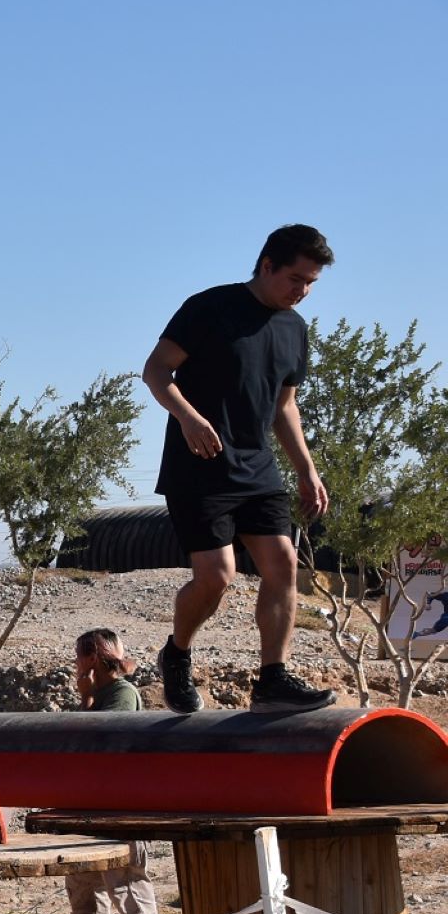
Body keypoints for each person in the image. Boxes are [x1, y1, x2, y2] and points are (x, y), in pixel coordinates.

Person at [146, 224, 337, 714]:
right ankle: (177, 653)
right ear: (267, 264)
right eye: (296, 278)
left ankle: (273, 679)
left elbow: (284, 407)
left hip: (258, 468)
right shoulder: (209, 308)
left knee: (283, 564)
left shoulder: (295, 329)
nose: (304, 291)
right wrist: (188, 418)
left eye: (312, 282)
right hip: (200, 466)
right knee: (218, 576)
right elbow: (156, 371)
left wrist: (306, 471)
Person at [63, 629, 162, 914]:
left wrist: (86, 700)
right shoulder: (101, 695)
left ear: (92, 659)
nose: (75, 662)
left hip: (119, 803)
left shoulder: (122, 693)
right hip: (93, 801)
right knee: (85, 878)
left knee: (126, 879)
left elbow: (99, 737)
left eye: (79, 655)